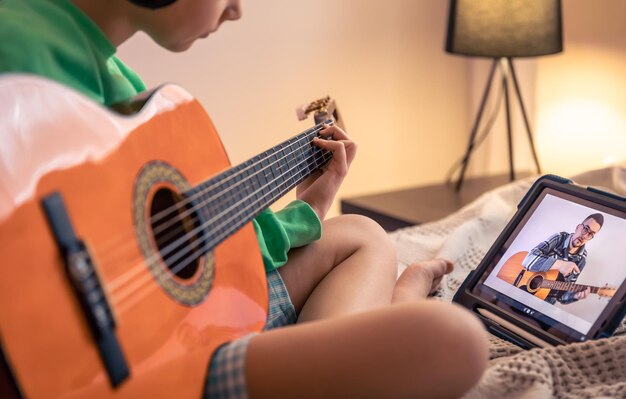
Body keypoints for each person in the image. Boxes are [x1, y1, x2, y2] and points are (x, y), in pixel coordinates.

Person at [0, 0, 489, 397]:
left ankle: (394, 305)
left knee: (363, 234)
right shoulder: (19, 48)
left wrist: (313, 208)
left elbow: (187, 249)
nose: (236, 10)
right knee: (453, 340)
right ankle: (396, 306)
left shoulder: (113, 77)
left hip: (165, 321)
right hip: (146, 361)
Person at [522, 213, 604, 304]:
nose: (585, 236)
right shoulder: (559, 238)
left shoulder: (581, 260)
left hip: (544, 304)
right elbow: (528, 260)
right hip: (522, 290)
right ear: (578, 227)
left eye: (590, 234)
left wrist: (574, 296)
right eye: (585, 229)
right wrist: (559, 264)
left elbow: (561, 297)